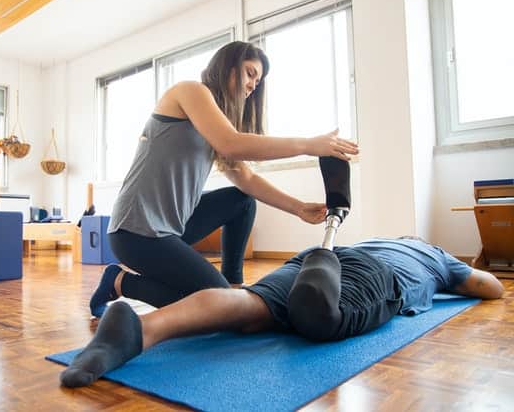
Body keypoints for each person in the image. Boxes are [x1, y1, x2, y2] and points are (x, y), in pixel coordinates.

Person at [90, 41, 359, 317]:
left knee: (242, 201)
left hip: (173, 228)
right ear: (229, 66)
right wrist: (307, 145)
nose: (254, 84)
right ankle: (121, 282)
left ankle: (233, 285)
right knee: (222, 310)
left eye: (259, 79)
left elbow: (245, 177)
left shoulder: (215, 121)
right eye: (251, 73)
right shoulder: (190, 91)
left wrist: (298, 208)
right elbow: (231, 144)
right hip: (135, 231)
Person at [61, 236, 503, 388]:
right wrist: (450, 266)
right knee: (325, 320)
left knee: (249, 304)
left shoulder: (377, 239)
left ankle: (143, 328)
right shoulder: (436, 257)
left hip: (328, 252)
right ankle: (317, 295)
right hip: (377, 275)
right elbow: (491, 289)